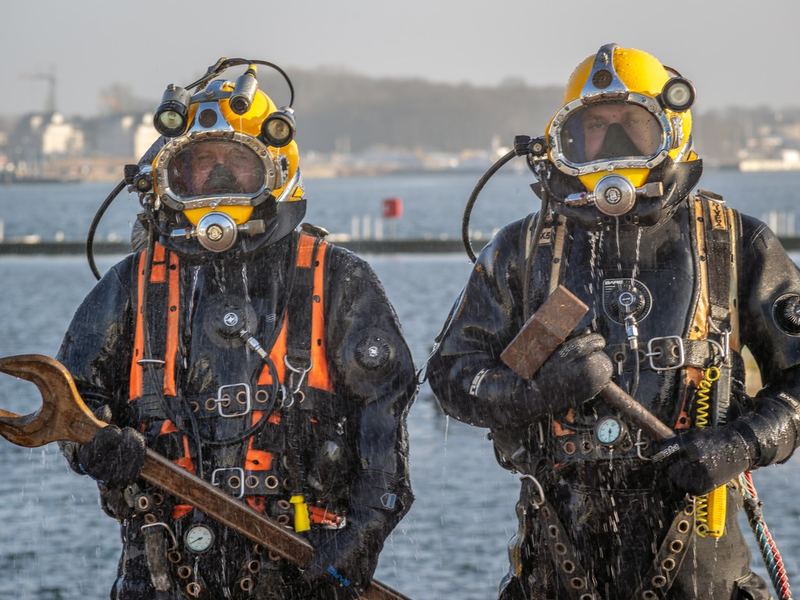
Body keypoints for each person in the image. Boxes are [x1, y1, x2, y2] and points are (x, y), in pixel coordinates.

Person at [427, 43, 800, 600]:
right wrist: (537, 392)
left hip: (701, 552)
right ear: (563, 143)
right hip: (559, 550)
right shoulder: (524, 250)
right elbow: (454, 376)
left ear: (671, 130)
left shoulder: (733, 243)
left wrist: (743, 444)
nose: (615, 142)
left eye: (633, 125)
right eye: (594, 128)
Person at [57, 58, 416, 600]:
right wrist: (98, 445)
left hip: (300, 565)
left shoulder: (338, 280)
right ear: (171, 178)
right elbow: (71, 396)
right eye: (201, 165)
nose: (219, 178)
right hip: (163, 569)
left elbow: (384, 421)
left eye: (237, 164)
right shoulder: (133, 285)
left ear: (276, 169)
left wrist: (359, 541)